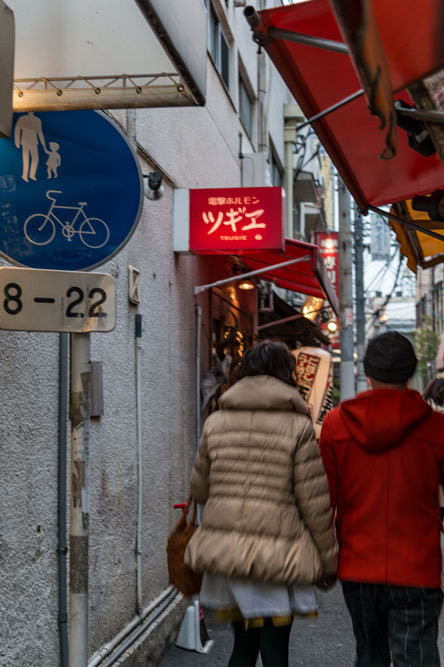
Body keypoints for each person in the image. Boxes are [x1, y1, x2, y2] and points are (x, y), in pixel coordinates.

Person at [185, 340, 338, 667]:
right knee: (275, 651)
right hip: (279, 554)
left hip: (229, 551)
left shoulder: (216, 421)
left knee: (242, 647)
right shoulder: (298, 425)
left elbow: (199, 488)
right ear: (287, 373)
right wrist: (328, 559)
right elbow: (313, 502)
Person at [319, 331, 444, 667]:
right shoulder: (437, 428)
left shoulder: (334, 425)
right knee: (417, 657)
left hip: (357, 564)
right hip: (418, 566)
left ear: (368, 374)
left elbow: (323, 503)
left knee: (370, 655)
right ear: (412, 372)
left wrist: (323, 559)